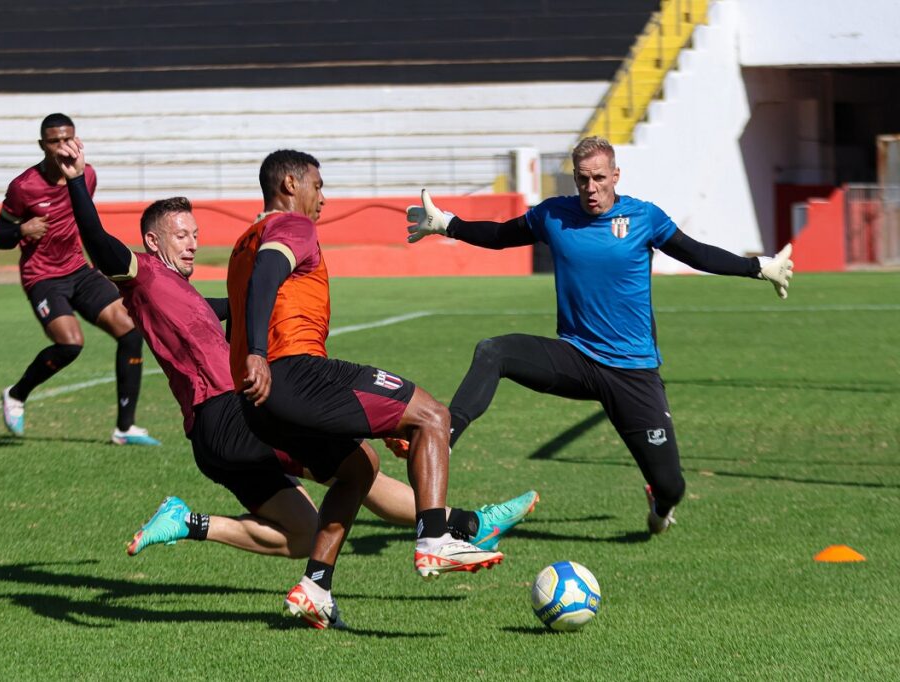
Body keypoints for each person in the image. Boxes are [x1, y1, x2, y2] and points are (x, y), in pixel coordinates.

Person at [54, 140, 537, 630]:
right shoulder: (144, 274)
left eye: (195, 233)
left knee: (333, 499)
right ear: (153, 243)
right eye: (180, 235)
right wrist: (75, 180)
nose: (193, 243)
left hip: (217, 429)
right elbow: (97, 238)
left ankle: (284, 570)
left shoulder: (189, 290)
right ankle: (455, 527)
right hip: (234, 411)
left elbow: (242, 299)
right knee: (392, 444)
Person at [404, 136, 794, 536]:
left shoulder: (645, 218)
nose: (591, 188)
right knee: (493, 351)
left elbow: (695, 253)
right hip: (577, 359)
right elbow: (501, 235)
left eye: (599, 179)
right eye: (582, 179)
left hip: (632, 373)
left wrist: (758, 267)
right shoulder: (553, 215)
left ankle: (659, 504)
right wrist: (448, 224)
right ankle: (444, 436)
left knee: (672, 486)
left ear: (616, 175)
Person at [226, 149, 523, 592]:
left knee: (358, 469)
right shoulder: (292, 226)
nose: (322, 197)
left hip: (258, 405)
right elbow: (271, 273)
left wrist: (372, 415)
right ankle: (435, 538)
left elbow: (243, 305)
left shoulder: (244, 242)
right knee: (433, 415)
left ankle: (314, 587)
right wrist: (256, 352)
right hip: (292, 372)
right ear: (290, 185)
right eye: (318, 185)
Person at [0, 113, 158, 446]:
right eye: (54, 141)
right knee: (70, 344)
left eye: (68, 139)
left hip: (79, 269)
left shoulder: (87, 175)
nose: (63, 146)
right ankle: (16, 394)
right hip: (43, 277)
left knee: (130, 330)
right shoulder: (23, 187)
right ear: (43, 146)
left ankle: (125, 429)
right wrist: (22, 229)